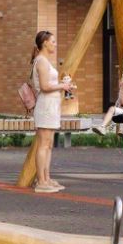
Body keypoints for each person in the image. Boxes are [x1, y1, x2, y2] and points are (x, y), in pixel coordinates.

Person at [31, 30, 72, 193]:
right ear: (45, 43)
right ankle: (41, 181)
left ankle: (46, 178)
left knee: (48, 145)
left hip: (52, 106)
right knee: (43, 144)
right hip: (46, 106)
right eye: (53, 42)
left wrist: (63, 84)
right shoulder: (41, 61)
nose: (55, 44)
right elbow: (45, 86)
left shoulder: (45, 61)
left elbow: (49, 84)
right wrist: (63, 86)